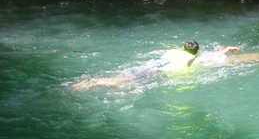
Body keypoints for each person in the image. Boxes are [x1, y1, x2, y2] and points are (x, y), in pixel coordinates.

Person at [71, 41, 239, 91]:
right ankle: (92, 84)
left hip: (149, 66)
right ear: (195, 52)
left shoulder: (172, 50)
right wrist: (227, 49)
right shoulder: (193, 59)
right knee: (122, 84)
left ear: (183, 47)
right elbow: (214, 57)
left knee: (122, 78)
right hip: (157, 74)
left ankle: (91, 82)